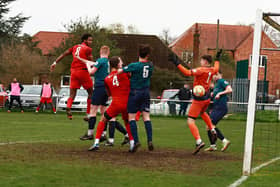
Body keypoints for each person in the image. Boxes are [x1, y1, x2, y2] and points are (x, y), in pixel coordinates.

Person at [169, 51, 222, 155]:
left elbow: (187, 72)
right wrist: (217, 59)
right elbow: (216, 67)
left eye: (202, 60)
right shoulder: (212, 70)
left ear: (205, 62)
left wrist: (176, 63)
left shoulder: (200, 70)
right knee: (203, 113)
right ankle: (212, 129)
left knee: (190, 121)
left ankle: (199, 141)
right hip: (207, 98)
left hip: (199, 99)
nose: (201, 62)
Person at [87, 56, 134, 151]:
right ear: (117, 64)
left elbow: (109, 93)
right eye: (121, 62)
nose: (122, 63)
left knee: (103, 120)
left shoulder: (107, 78)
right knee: (127, 122)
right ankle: (132, 143)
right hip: (127, 103)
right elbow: (131, 77)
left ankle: (96, 143)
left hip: (115, 103)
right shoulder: (124, 74)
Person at [118, 44, 154, 152]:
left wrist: (125, 71)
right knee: (146, 117)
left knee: (132, 118)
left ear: (139, 54)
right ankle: (150, 140)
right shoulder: (150, 65)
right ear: (148, 55)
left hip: (135, 92)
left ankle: (136, 141)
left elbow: (120, 71)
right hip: (146, 92)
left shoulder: (134, 65)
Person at [50, 33, 94, 120]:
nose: (91, 42)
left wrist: (55, 62)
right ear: (84, 40)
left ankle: (68, 106)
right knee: (91, 93)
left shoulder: (75, 47)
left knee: (72, 94)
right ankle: (88, 114)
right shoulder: (88, 49)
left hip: (73, 72)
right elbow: (90, 61)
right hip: (83, 72)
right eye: (89, 40)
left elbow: (64, 53)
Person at [79, 46, 110, 141]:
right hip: (107, 88)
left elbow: (91, 72)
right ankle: (103, 134)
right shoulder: (107, 62)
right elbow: (94, 64)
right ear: (108, 53)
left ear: (101, 51)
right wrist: (83, 60)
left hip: (99, 86)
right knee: (104, 112)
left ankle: (90, 133)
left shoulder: (100, 61)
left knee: (93, 110)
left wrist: (87, 65)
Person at [205, 71, 231, 152]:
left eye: (216, 75)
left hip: (221, 108)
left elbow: (230, 90)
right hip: (216, 108)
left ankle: (224, 141)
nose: (215, 76)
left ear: (221, 75)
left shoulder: (222, 81)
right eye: (213, 75)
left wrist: (219, 93)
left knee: (210, 125)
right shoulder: (216, 84)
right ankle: (213, 145)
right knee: (208, 127)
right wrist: (213, 94)